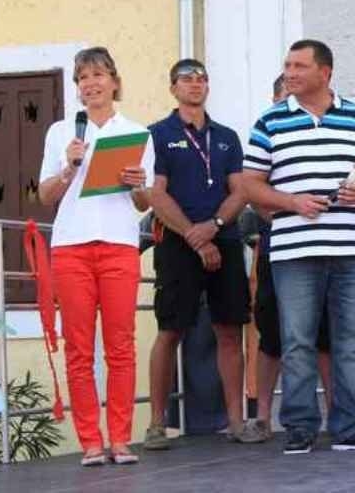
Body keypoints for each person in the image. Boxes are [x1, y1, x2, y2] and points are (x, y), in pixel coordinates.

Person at [243, 39, 355, 454]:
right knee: (296, 340)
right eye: (287, 65)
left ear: (325, 72)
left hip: (353, 248)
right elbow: (249, 183)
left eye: (299, 66)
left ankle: (350, 427)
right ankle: (300, 427)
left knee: (354, 339)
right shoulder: (269, 121)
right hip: (293, 249)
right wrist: (291, 201)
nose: (289, 73)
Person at [38, 46, 154, 466]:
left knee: (120, 346)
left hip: (119, 244)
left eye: (98, 75)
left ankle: (120, 439)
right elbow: (45, 194)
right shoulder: (60, 132)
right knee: (79, 348)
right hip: (71, 247)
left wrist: (138, 183)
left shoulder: (137, 133)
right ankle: (90, 441)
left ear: (114, 82)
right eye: (83, 77)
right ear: (77, 87)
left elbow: (143, 202)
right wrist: (69, 168)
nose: (91, 83)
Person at [144, 58, 255, 449]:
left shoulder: (226, 136)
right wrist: (195, 236)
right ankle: (157, 424)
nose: (195, 84)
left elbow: (240, 190)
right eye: (186, 79)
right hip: (178, 241)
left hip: (222, 237)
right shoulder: (157, 134)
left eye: (202, 78)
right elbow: (155, 193)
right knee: (170, 330)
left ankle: (236, 422)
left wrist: (215, 227)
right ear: (173, 88)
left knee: (230, 329)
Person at [247, 74, 333, 442]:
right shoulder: (266, 134)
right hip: (277, 249)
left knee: (326, 336)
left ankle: (336, 415)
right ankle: (263, 417)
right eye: (286, 97)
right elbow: (252, 191)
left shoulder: (324, 132)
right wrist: (283, 214)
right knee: (271, 336)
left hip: (322, 246)